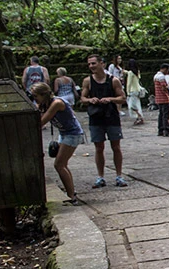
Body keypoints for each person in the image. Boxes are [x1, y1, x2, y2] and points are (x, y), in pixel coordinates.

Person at [30, 82, 83, 205]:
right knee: (62, 164)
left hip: (72, 133)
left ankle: (71, 196)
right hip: (64, 133)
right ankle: (71, 191)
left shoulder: (57, 103)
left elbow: (42, 121)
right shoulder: (46, 104)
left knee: (59, 164)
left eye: (35, 96)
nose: (35, 99)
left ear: (43, 95)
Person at [81, 54, 128, 188]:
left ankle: (119, 175)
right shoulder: (88, 81)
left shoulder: (113, 81)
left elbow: (122, 97)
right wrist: (91, 100)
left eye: (93, 63)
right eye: (89, 64)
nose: (91, 66)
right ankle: (100, 176)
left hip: (111, 116)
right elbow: (82, 98)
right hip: (96, 117)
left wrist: (110, 99)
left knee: (116, 147)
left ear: (102, 64)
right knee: (98, 147)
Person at [153, 63, 169, 136]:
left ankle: (160, 130)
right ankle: (166, 130)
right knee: (166, 115)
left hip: (158, 98)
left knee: (161, 115)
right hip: (164, 98)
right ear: (164, 68)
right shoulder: (162, 77)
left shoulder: (156, 76)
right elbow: (163, 87)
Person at [124, 58, 145, 125]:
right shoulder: (137, 71)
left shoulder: (130, 73)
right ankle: (140, 117)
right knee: (137, 104)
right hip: (138, 90)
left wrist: (127, 92)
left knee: (132, 106)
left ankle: (139, 117)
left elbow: (129, 83)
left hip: (132, 91)